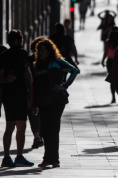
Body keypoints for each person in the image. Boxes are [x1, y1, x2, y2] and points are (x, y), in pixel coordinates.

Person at [31, 39, 79, 167]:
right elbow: (35, 86)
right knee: (45, 130)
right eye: (38, 50)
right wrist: (34, 103)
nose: (39, 53)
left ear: (49, 51)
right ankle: (47, 158)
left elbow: (74, 70)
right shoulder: (37, 64)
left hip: (56, 100)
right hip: (42, 101)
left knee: (53, 129)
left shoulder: (56, 62)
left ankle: (54, 159)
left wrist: (65, 85)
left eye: (42, 50)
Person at [0, 30, 34, 167]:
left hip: (22, 94)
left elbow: (28, 73)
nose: (20, 43)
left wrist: (30, 93)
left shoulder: (24, 54)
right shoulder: (4, 56)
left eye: (21, 40)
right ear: (11, 42)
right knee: (10, 126)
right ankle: (6, 157)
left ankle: (19, 156)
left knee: (22, 126)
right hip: (9, 95)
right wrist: (7, 79)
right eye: (17, 41)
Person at [28, 36, 47, 149]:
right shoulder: (33, 60)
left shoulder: (29, 60)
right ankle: (39, 137)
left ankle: (37, 137)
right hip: (38, 92)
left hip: (33, 92)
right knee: (38, 115)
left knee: (34, 115)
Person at [101, 26, 118, 103]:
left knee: (112, 80)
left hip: (110, 61)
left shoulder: (108, 42)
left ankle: (113, 97)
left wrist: (102, 60)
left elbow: (105, 52)